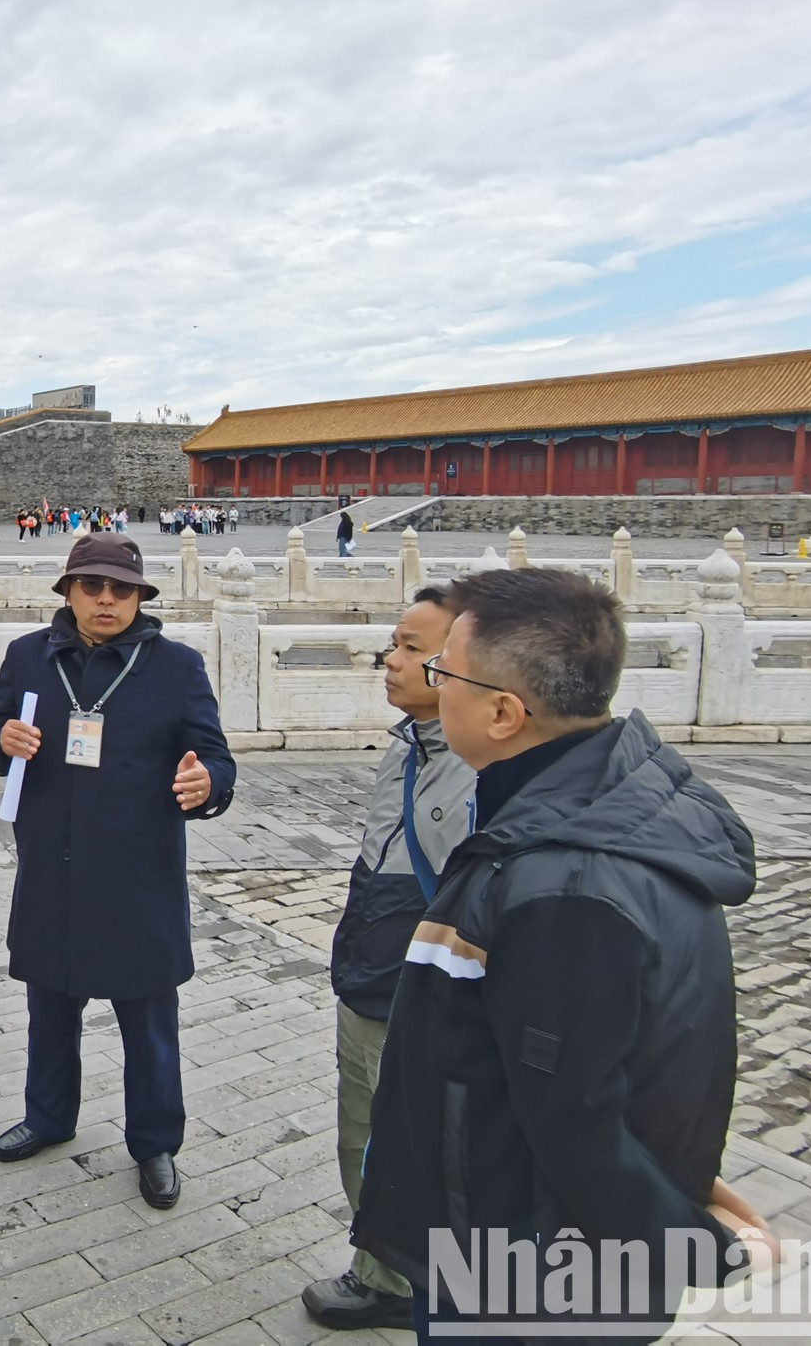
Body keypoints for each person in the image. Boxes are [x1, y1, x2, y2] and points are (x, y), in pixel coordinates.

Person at [355, 568, 765, 1341]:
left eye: (445, 670)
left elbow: (575, 1118)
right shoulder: (605, 802)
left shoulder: (561, 883)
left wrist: (695, 1241)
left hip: (522, 1265)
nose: (433, 686)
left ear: (504, 712)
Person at [0, 533, 235, 1209]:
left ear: (140, 598)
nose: (107, 600)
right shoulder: (29, 657)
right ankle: (48, 1116)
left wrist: (207, 782)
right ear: (69, 592)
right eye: (93, 587)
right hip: (51, 871)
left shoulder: (175, 668)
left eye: (121, 589)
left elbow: (216, 757)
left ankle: (154, 1144)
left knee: (149, 1021)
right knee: (49, 1007)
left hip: (137, 876)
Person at [302, 590, 473, 1330]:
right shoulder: (411, 741)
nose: (391, 660)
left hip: (423, 990)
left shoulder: (483, 768)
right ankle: (384, 1273)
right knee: (362, 1135)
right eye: (392, 644)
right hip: (370, 966)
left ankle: (436, 1287)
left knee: (415, 1148)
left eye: (411, 647)